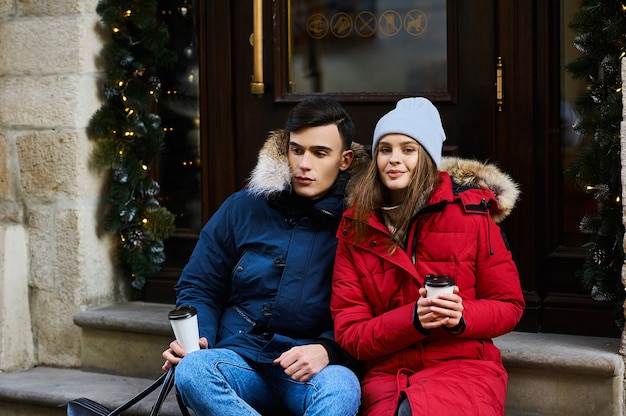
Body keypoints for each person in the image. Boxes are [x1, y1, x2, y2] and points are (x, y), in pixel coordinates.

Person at [162, 95, 367, 416]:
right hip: (237, 356)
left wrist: (328, 349)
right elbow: (200, 285)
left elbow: (372, 308)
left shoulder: (361, 221)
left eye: (320, 153)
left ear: (345, 160)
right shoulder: (243, 206)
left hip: (310, 369)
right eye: (297, 150)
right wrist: (197, 340)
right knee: (192, 371)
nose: (304, 164)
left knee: (343, 387)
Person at [330, 97, 525, 416]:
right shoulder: (356, 228)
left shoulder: (471, 217)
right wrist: (413, 320)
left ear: (428, 157)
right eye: (385, 149)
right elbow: (352, 334)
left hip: (464, 368)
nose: (394, 159)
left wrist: (462, 315)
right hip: (388, 375)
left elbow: (509, 305)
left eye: (408, 149)